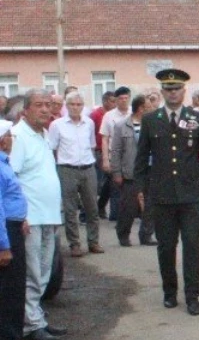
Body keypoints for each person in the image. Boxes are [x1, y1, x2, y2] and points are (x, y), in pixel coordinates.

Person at [134, 69, 199, 317]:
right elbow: (141, 158)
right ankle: (170, 292)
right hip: (162, 194)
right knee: (166, 246)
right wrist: (140, 188)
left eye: (177, 89)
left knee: (192, 246)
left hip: (191, 194)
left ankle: (193, 296)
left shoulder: (197, 118)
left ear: (184, 91)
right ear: (161, 92)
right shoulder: (150, 120)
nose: (172, 93)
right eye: (168, 89)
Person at [10, 90, 68, 340]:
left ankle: (37, 318)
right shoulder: (18, 137)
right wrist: (20, 215)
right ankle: (30, 324)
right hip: (30, 217)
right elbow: (12, 179)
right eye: (39, 105)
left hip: (49, 215)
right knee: (32, 272)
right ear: (26, 110)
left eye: (48, 105)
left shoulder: (43, 134)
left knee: (45, 271)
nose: (45, 110)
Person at [48, 91, 104, 257]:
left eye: (79, 104)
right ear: (67, 105)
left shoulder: (89, 123)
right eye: (72, 104)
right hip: (67, 169)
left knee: (92, 208)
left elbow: (92, 145)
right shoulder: (57, 125)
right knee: (70, 209)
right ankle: (74, 244)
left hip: (87, 167)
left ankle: (93, 242)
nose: (75, 108)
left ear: (83, 106)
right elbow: (52, 148)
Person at [109, 94, 155, 247]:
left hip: (151, 170)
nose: (152, 110)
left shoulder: (153, 124)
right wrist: (116, 172)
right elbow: (115, 151)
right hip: (130, 172)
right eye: (149, 108)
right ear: (141, 109)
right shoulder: (122, 125)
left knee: (150, 205)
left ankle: (146, 235)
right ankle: (123, 235)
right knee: (129, 206)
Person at [0, 120, 29, 340]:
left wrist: (22, 217)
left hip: (13, 226)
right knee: (10, 291)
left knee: (15, 288)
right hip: (6, 232)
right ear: (3, 140)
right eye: (10, 136)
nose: (12, 139)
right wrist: (4, 246)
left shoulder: (4, 163)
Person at [100, 86, 133, 221]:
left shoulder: (134, 112)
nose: (124, 101)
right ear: (116, 100)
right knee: (116, 187)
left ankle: (132, 214)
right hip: (116, 156)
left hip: (132, 155)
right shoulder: (109, 115)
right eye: (120, 98)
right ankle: (116, 216)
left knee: (132, 187)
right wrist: (106, 159)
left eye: (126, 98)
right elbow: (105, 138)